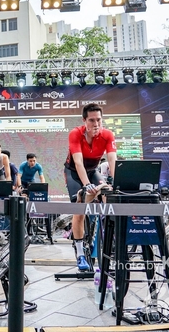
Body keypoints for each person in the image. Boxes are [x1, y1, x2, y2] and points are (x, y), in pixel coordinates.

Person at [64, 103, 116, 271]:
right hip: (73, 172)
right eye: (91, 120)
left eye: (98, 120)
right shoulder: (75, 134)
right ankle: (80, 253)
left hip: (93, 171)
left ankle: (110, 239)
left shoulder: (107, 135)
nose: (96, 124)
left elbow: (112, 161)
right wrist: (87, 185)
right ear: (84, 121)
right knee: (79, 207)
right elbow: (78, 163)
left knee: (108, 195)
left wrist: (117, 182)